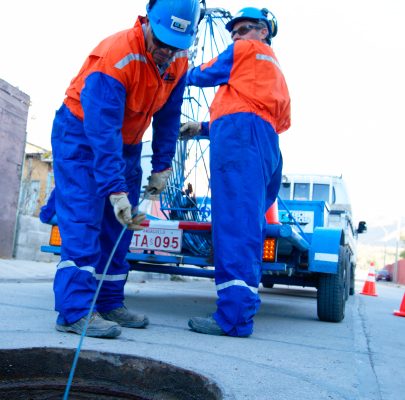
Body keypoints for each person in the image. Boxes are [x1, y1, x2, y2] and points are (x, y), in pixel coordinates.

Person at [50, 0, 202, 338]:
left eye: (176, 46)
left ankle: (107, 302)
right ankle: (74, 312)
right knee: (84, 222)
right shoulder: (117, 57)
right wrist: (115, 189)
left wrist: (163, 166)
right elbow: (102, 132)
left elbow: (168, 118)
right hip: (81, 139)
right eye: (161, 42)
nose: (166, 52)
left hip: (128, 144)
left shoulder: (177, 62)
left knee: (120, 227)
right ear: (147, 21)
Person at [179, 7, 290, 337]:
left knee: (234, 226)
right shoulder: (270, 71)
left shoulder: (244, 51)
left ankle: (233, 318)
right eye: (234, 32)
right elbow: (250, 115)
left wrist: (172, 68)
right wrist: (201, 127)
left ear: (263, 32)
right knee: (248, 223)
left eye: (244, 28)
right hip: (261, 143)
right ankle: (241, 308)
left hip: (242, 141)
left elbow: (202, 74)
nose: (236, 35)